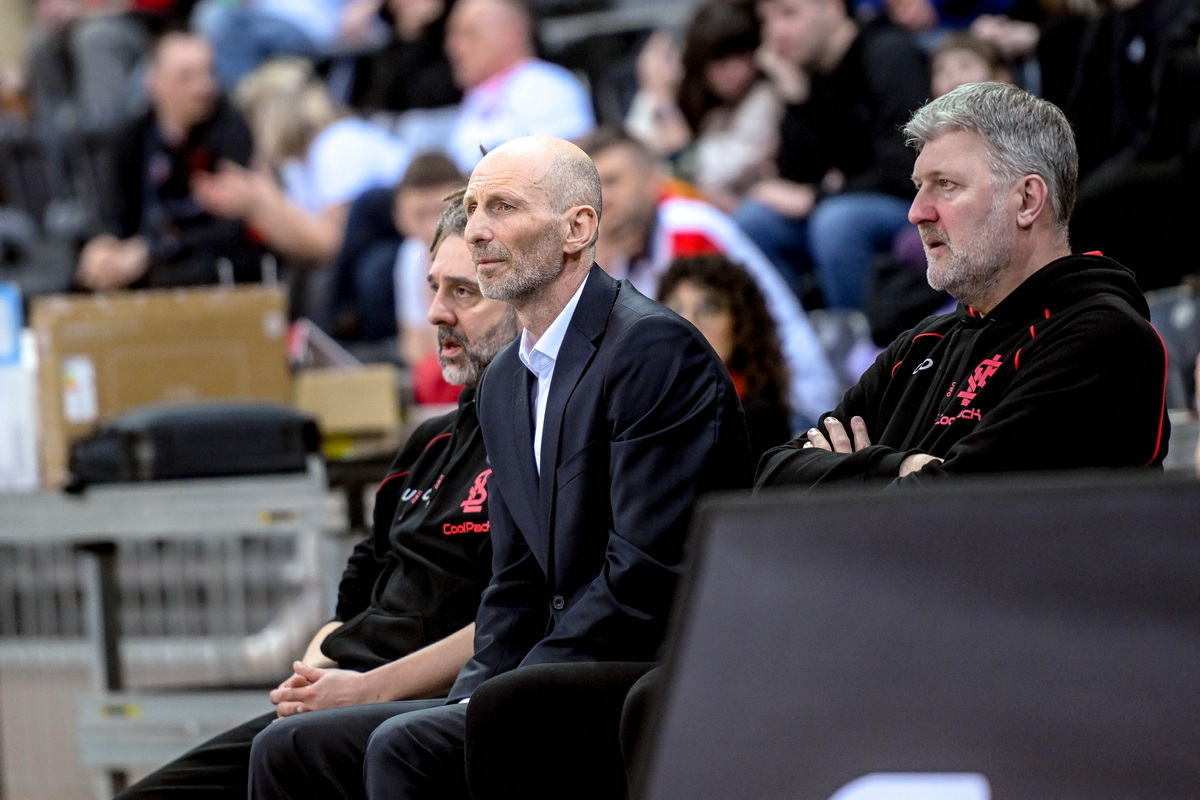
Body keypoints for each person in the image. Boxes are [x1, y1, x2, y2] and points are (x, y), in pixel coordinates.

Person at [248, 134, 752, 800]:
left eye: (504, 208)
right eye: (474, 208)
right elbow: (513, 585)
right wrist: (474, 691)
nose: (478, 229)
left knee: (407, 747)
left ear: (577, 229)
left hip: (644, 665)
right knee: (290, 749)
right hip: (543, 674)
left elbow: (645, 577)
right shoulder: (506, 379)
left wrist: (501, 692)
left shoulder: (653, 349)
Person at [112, 194, 516, 800]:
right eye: (434, 288)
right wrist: (312, 676)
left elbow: (515, 616)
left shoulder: (538, 439)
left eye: (464, 293)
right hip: (345, 689)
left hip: (421, 702)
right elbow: (353, 598)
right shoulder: (428, 443)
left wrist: (369, 689)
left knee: (289, 751)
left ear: (522, 300)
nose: (437, 313)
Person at [756, 81, 1171, 491]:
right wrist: (896, 467)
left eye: (946, 185)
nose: (917, 212)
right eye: (918, 187)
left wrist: (848, 477)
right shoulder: (922, 344)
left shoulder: (1103, 339)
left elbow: (959, 508)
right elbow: (772, 478)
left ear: (1027, 201)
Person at [576, 125, 840, 429]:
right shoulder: (614, 248)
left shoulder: (689, 230)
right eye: (594, 187)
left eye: (612, 181)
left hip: (783, 406)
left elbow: (702, 355)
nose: (603, 198)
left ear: (652, 182)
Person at [734, 0, 930, 310]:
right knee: (754, 219)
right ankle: (795, 334)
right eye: (766, 20)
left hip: (910, 202)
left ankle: (859, 336)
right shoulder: (808, 71)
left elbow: (907, 168)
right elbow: (795, 176)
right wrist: (794, 97)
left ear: (832, 7)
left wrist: (817, 196)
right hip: (844, 200)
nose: (774, 33)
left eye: (788, 13)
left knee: (836, 222)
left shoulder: (888, 54)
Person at [74, 30, 263, 291]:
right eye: (186, 77)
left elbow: (232, 228)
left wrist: (153, 251)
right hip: (144, 259)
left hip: (207, 266)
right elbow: (113, 211)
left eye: (209, 73)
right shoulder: (133, 136)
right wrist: (104, 244)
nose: (203, 88)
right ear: (153, 81)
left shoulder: (233, 130)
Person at [624, 0, 783, 212]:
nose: (735, 72)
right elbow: (634, 153)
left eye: (743, 56)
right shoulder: (681, 81)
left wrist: (664, 106)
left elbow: (701, 174)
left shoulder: (765, 96)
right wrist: (654, 92)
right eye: (721, 59)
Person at [657, 254, 792, 465]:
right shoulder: (633, 405)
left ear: (741, 325)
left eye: (708, 309)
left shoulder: (759, 420)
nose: (688, 322)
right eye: (674, 309)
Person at [440, 0, 595, 172]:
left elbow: (563, 169)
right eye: (452, 35)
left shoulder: (544, 86)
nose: (454, 47)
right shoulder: (477, 96)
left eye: (471, 34)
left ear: (512, 33)